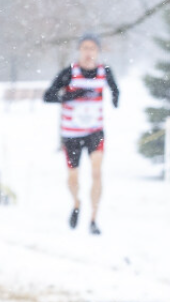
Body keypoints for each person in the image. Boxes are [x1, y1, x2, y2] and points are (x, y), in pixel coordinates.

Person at [43, 33, 120, 235]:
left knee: (96, 172)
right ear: (79, 51)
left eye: (92, 48)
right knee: (73, 177)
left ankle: (93, 219)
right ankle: (77, 203)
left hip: (95, 131)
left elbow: (115, 90)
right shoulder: (69, 72)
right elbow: (48, 96)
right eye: (84, 48)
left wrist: (115, 98)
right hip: (71, 134)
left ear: (98, 51)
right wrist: (69, 95)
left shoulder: (105, 72)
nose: (88, 52)